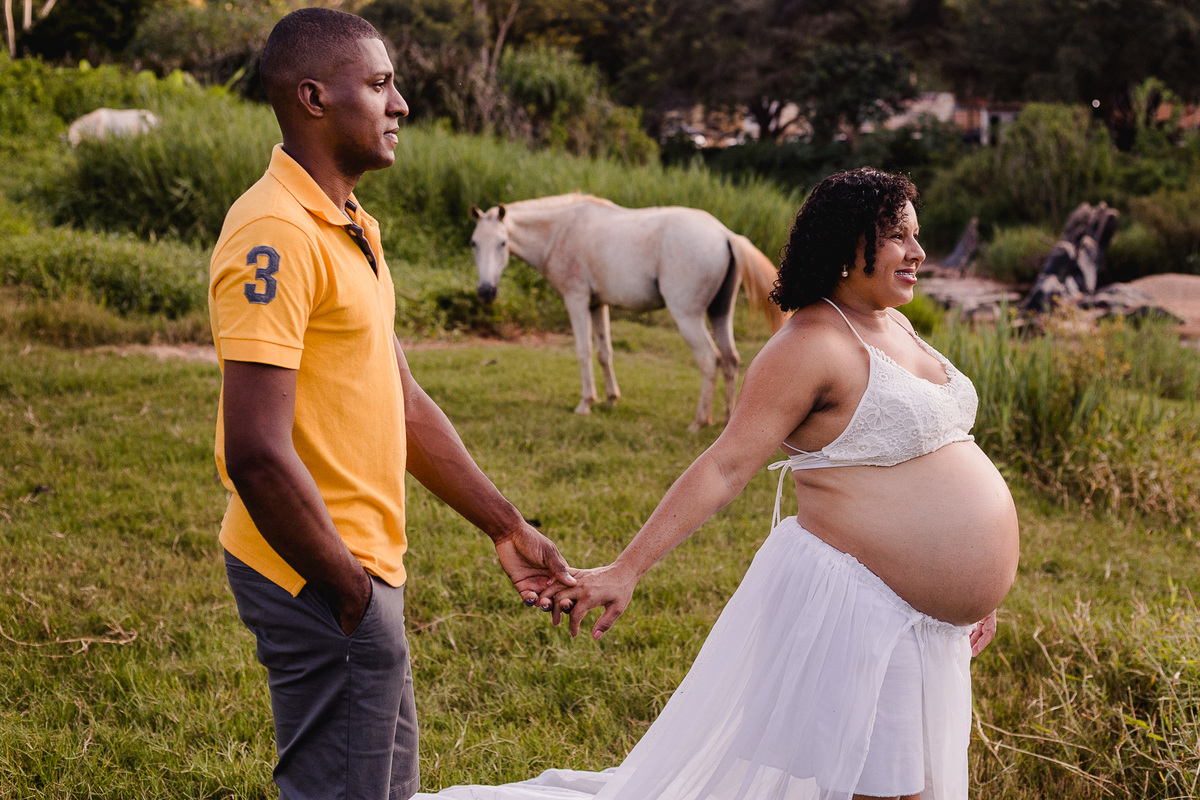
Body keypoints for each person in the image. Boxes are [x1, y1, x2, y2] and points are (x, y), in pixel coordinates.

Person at [419, 168, 1020, 800]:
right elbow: (725, 466)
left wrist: (977, 589)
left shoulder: (894, 325)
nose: (919, 253)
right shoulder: (811, 343)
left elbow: (939, 450)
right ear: (849, 246)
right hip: (861, 608)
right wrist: (625, 569)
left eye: (915, 235)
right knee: (878, 789)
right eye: (898, 237)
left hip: (928, 622)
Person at [208, 9, 574, 800]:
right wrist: (347, 593)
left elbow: (400, 399)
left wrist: (507, 526)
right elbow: (256, 452)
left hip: (359, 569)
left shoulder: (348, 224)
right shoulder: (272, 234)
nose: (400, 104)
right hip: (316, 569)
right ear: (312, 98)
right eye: (378, 85)